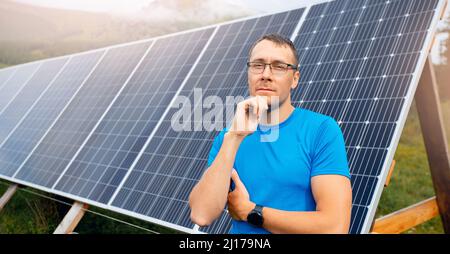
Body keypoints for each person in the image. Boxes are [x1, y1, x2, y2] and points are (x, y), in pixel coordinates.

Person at [188, 33, 352, 234]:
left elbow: (334, 228)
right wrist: (234, 137)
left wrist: (250, 211)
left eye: (279, 66)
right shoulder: (228, 137)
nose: (266, 74)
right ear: (249, 73)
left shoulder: (321, 130)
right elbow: (201, 214)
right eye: (258, 65)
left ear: (295, 79)